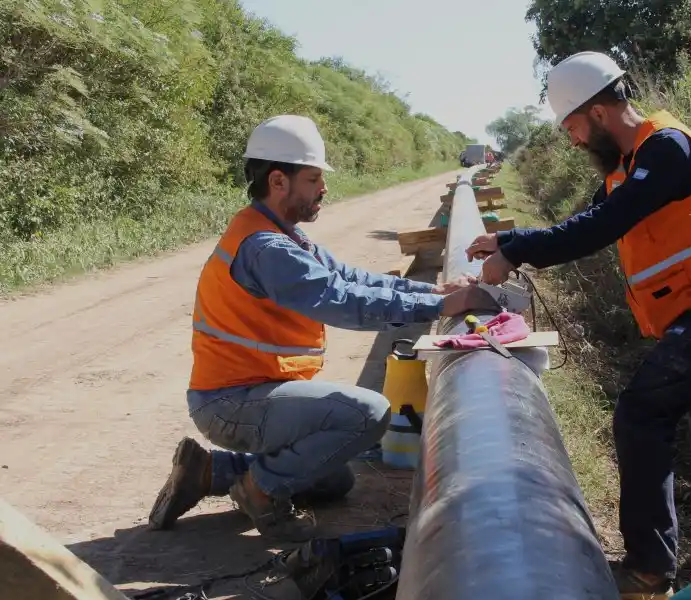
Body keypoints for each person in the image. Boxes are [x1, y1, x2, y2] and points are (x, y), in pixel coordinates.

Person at [466, 52, 691, 598]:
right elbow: (581, 222)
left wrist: (517, 253)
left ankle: (648, 569)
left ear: (596, 113)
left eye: (571, 127)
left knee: (641, 413)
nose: (571, 141)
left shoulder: (666, 149)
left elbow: (605, 224)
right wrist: (507, 242)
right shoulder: (628, 163)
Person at [149, 115, 495, 542]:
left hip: (254, 390)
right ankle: (258, 491)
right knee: (369, 414)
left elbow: (354, 279)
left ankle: (209, 472)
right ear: (279, 181)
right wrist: (440, 305)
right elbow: (341, 300)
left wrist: (436, 291)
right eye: (313, 179)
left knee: (335, 481)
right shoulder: (267, 248)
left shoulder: (280, 233)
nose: (324, 189)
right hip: (232, 402)